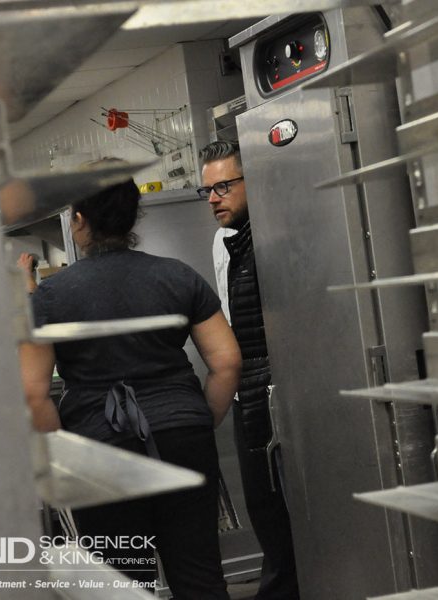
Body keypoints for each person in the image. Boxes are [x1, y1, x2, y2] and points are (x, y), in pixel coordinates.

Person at [19, 160, 242, 599]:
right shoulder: (177, 275)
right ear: (132, 216)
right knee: (198, 573)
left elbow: (32, 393)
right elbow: (227, 362)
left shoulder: (50, 296)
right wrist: (198, 418)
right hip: (183, 436)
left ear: (78, 220)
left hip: (101, 448)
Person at [199, 141, 301, 600]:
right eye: (207, 189)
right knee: (265, 509)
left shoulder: (276, 237)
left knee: (287, 508)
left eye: (223, 186)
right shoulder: (226, 242)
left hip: (281, 395)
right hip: (250, 395)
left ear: (251, 180)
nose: (213, 198)